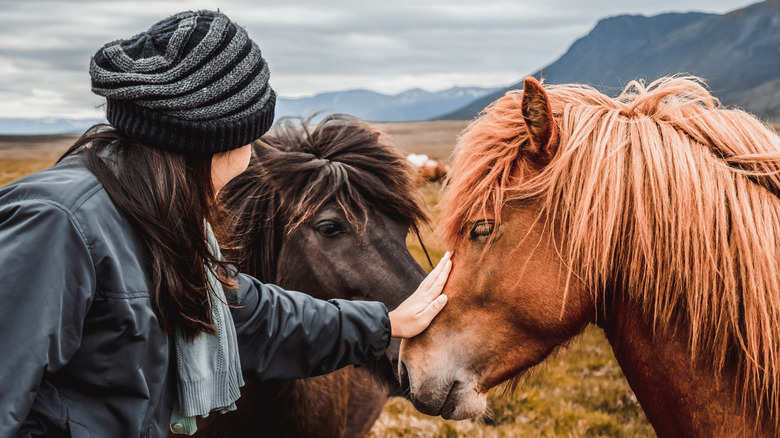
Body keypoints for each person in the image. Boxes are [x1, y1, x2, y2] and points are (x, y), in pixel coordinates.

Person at [0, 10, 451, 438]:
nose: (254, 156)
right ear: (211, 145)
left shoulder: (155, 219)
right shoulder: (59, 223)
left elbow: (252, 318)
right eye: (250, 139)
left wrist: (383, 323)